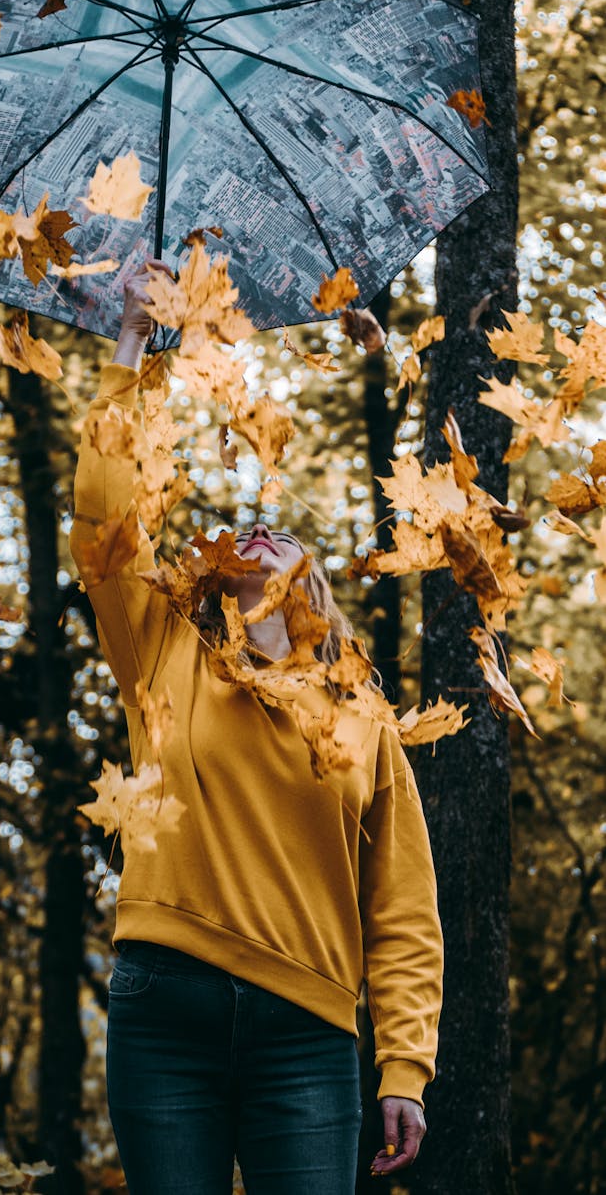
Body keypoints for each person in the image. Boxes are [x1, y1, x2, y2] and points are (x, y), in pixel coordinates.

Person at [69, 260, 443, 1195]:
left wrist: (406, 1065)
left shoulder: (361, 712)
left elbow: (401, 907)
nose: (256, 531)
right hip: (167, 1007)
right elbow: (105, 517)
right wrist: (134, 341)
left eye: (279, 536)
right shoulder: (161, 647)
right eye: (236, 534)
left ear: (313, 581)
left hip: (308, 1035)